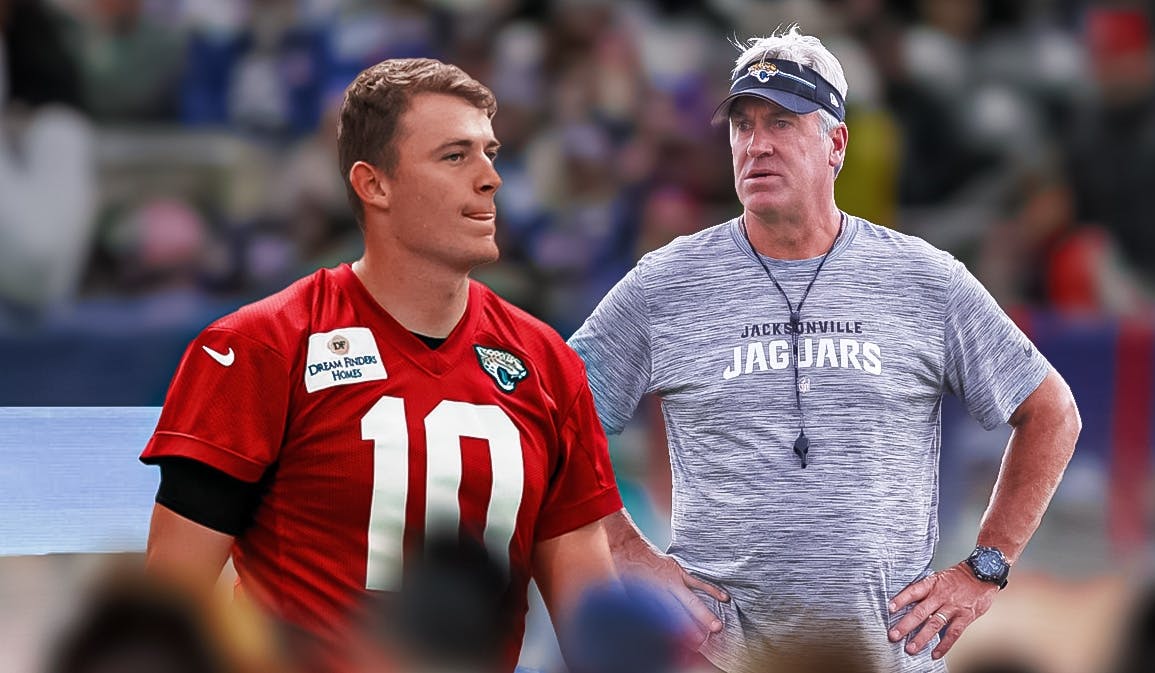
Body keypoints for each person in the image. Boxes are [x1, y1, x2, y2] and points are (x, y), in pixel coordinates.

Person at [568, 26, 1081, 673]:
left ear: (835, 141)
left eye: (782, 122)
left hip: (889, 659)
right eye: (743, 125)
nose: (756, 144)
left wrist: (987, 564)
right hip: (722, 659)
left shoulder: (924, 279)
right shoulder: (666, 283)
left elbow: (1051, 410)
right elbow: (554, 408)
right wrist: (625, 547)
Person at [140, 57, 623, 672]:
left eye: (491, 152)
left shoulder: (548, 364)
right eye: (455, 156)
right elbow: (164, 611)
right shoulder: (262, 346)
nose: (490, 178)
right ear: (375, 185)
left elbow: (594, 627)